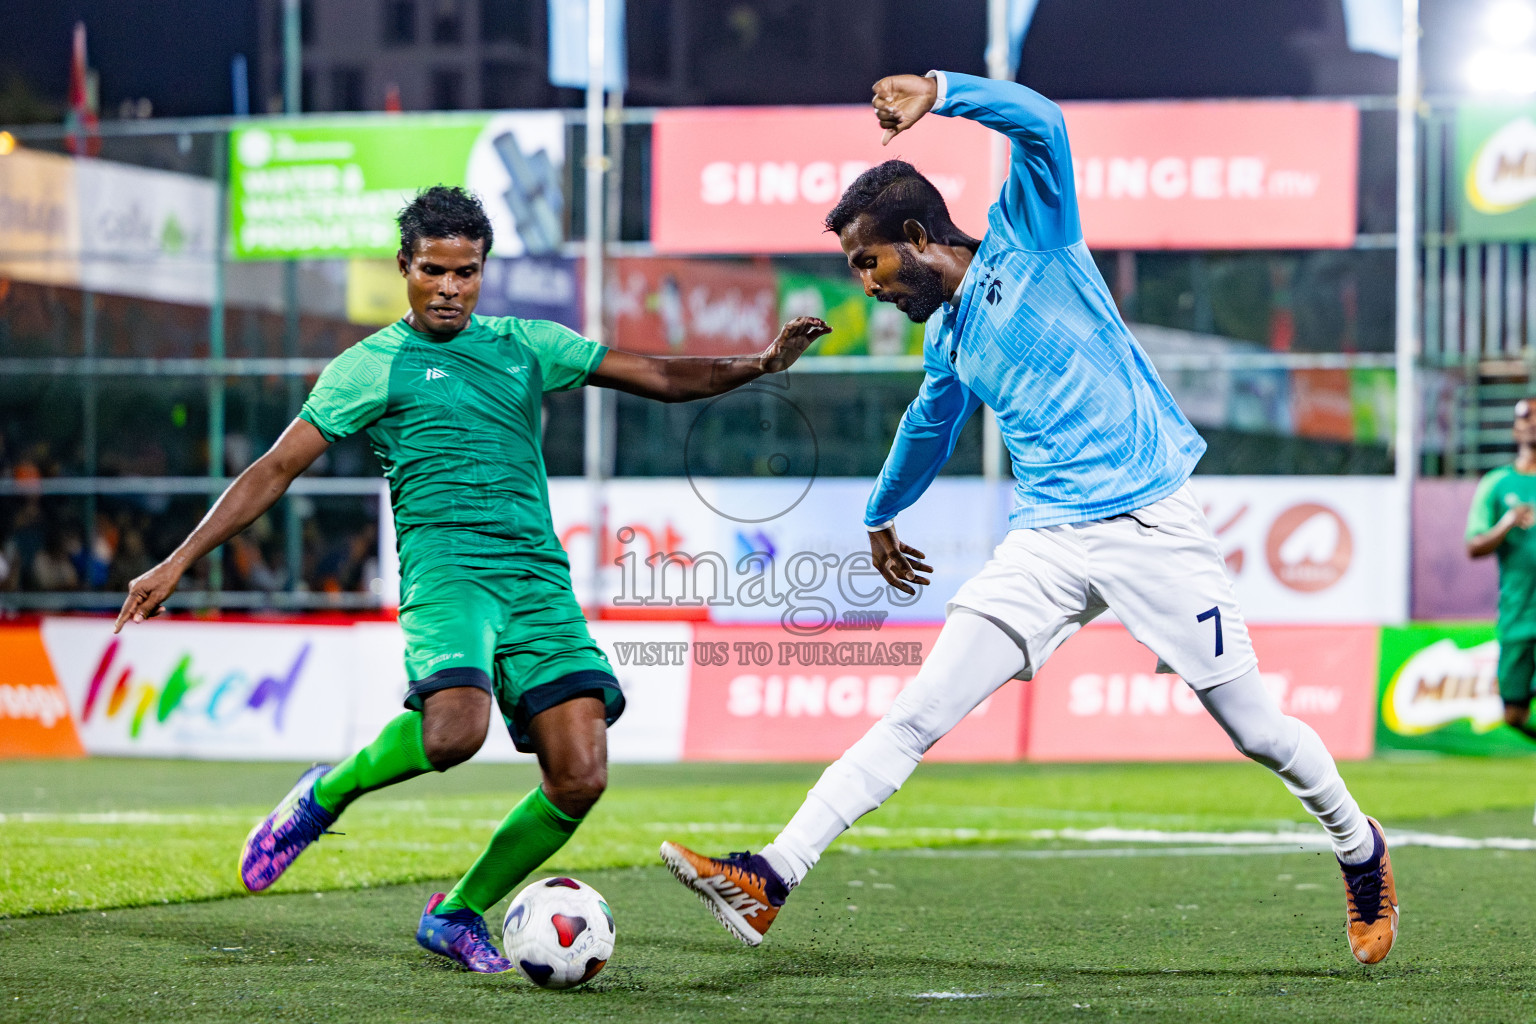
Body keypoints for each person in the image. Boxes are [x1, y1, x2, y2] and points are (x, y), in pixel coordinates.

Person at [660, 71, 1398, 966]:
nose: (866, 287)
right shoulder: (950, 336)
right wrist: (880, 512)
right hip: (1046, 542)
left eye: (868, 262)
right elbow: (929, 426)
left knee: (1256, 731)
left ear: (918, 236)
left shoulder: (1031, 235)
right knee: (914, 715)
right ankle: (771, 877)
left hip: (1148, 521)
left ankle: (1361, 849)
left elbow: (1044, 123)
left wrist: (940, 91)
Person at [114, 185, 829, 973]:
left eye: (466, 272)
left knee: (581, 774)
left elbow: (658, 376)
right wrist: (178, 561)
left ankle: (455, 912)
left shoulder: (525, 345)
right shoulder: (369, 368)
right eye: (433, 272)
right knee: (454, 732)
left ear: (483, 271)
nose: (450, 288)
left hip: (535, 581)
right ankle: (326, 795)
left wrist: (762, 362)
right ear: (405, 267)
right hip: (448, 574)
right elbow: (275, 467)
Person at [1466, 398, 1536, 744]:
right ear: (1516, 428)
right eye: (1527, 415)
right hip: (1517, 615)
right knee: (1513, 714)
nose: (1534, 421)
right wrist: (1507, 523)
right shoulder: (1497, 484)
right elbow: (1474, 545)